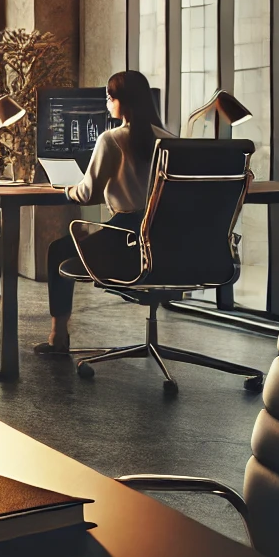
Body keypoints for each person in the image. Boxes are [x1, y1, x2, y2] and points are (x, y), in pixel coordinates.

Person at [35, 70, 171, 355]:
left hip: (126, 241)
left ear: (123, 102)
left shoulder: (112, 139)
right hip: (165, 242)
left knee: (59, 250)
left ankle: (58, 335)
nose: (107, 103)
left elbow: (88, 194)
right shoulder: (169, 140)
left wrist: (66, 189)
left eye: (110, 98)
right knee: (82, 242)